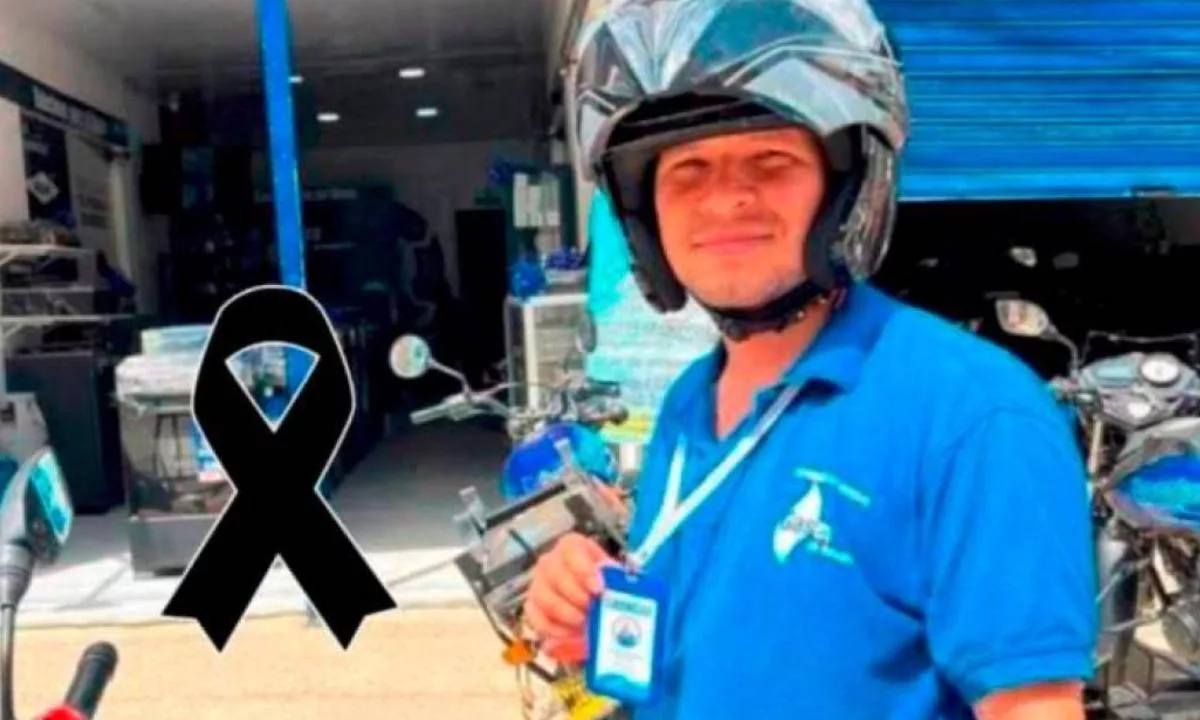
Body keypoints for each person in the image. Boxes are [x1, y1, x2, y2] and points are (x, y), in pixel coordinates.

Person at [523, 1, 1097, 719]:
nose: (726, 199)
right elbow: (713, 648)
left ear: (844, 188)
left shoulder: (971, 414)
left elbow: (1033, 706)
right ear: (646, 213)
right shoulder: (687, 405)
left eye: (771, 161)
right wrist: (582, 608)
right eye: (688, 169)